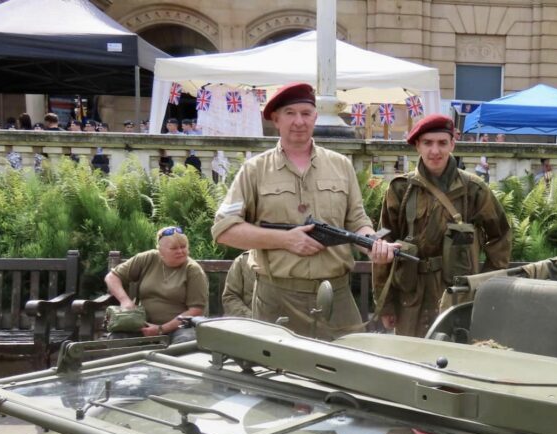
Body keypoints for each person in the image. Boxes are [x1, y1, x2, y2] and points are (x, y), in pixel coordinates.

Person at [212, 82, 396, 339]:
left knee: (348, 370)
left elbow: (357, 221)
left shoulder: (340, 165)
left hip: (337, 295)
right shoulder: (254, 170)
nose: (299, 121)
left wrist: (372, 244)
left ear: (315, 118)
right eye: (290, 113)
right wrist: (285, 240)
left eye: (306, 113)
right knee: (275, 373)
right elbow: (224, 230)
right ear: (276, 119)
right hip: (276, 297)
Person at [373, 113, 512, 337]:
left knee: (456, 359)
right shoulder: (400, 189)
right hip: (411, 297)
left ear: (452, 144)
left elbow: (500, 238)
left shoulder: (474, 189)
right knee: (411, 361)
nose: (435, 151)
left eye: (442, 143)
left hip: (457, 295)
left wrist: (483, 287)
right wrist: (385, 303)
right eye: (427, 143)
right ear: (417, 145)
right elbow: (383, 245)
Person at [104, 226, 208, 344]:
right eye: (174, 248)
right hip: (142, 324)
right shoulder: (148, 258)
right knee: (117, 339)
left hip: (179, 328)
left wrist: (161, 329)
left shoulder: (193, 270)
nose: (180, 251)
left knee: (186, 342)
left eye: (183, 246)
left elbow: (196, 310)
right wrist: (125, 301)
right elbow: (112, 277)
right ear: (160, 251)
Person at [222, 251, 256, 317]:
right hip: (247, 322)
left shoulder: (281, 262)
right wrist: (250, 317)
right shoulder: (242, 261)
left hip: (279, 322)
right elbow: (230, 296)